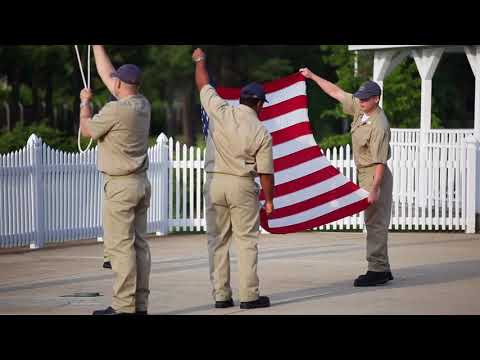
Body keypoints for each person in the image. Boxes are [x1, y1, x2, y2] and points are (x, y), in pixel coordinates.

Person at [193, 48, 275, 309]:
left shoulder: (222, 110)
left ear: (241, 99)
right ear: (260, 104)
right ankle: (249, 297)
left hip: (215, 181)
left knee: (217, 241)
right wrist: (269, 200)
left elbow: (203, 83)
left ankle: (221, 296)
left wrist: (200, 61)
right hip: (242, 185)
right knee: (246, 242)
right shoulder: (262, 132)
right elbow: (265, 173)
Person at [299, 67, 394, 287]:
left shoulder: (379, 125)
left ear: (376, 99)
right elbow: (336, 93)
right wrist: (312, 76)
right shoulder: (362, 111)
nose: (360, 101)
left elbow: (380, 162)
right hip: (365, 173)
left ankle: (377, 270)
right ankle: (383, 267)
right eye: (359, 97)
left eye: (365, 98)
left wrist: (375, 188)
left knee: (375, 222)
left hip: (375, 174)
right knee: (373, 221)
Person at [79, 45, 152, 314]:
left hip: (121, 187)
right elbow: (108, 74)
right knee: (139, 247)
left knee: (121, 249)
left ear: (120, 83)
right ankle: (140, 305)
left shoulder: (115, 110)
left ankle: (123, 308)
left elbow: (86, 130)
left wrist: (85, 103)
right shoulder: (142, 103)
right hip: (140, 183)